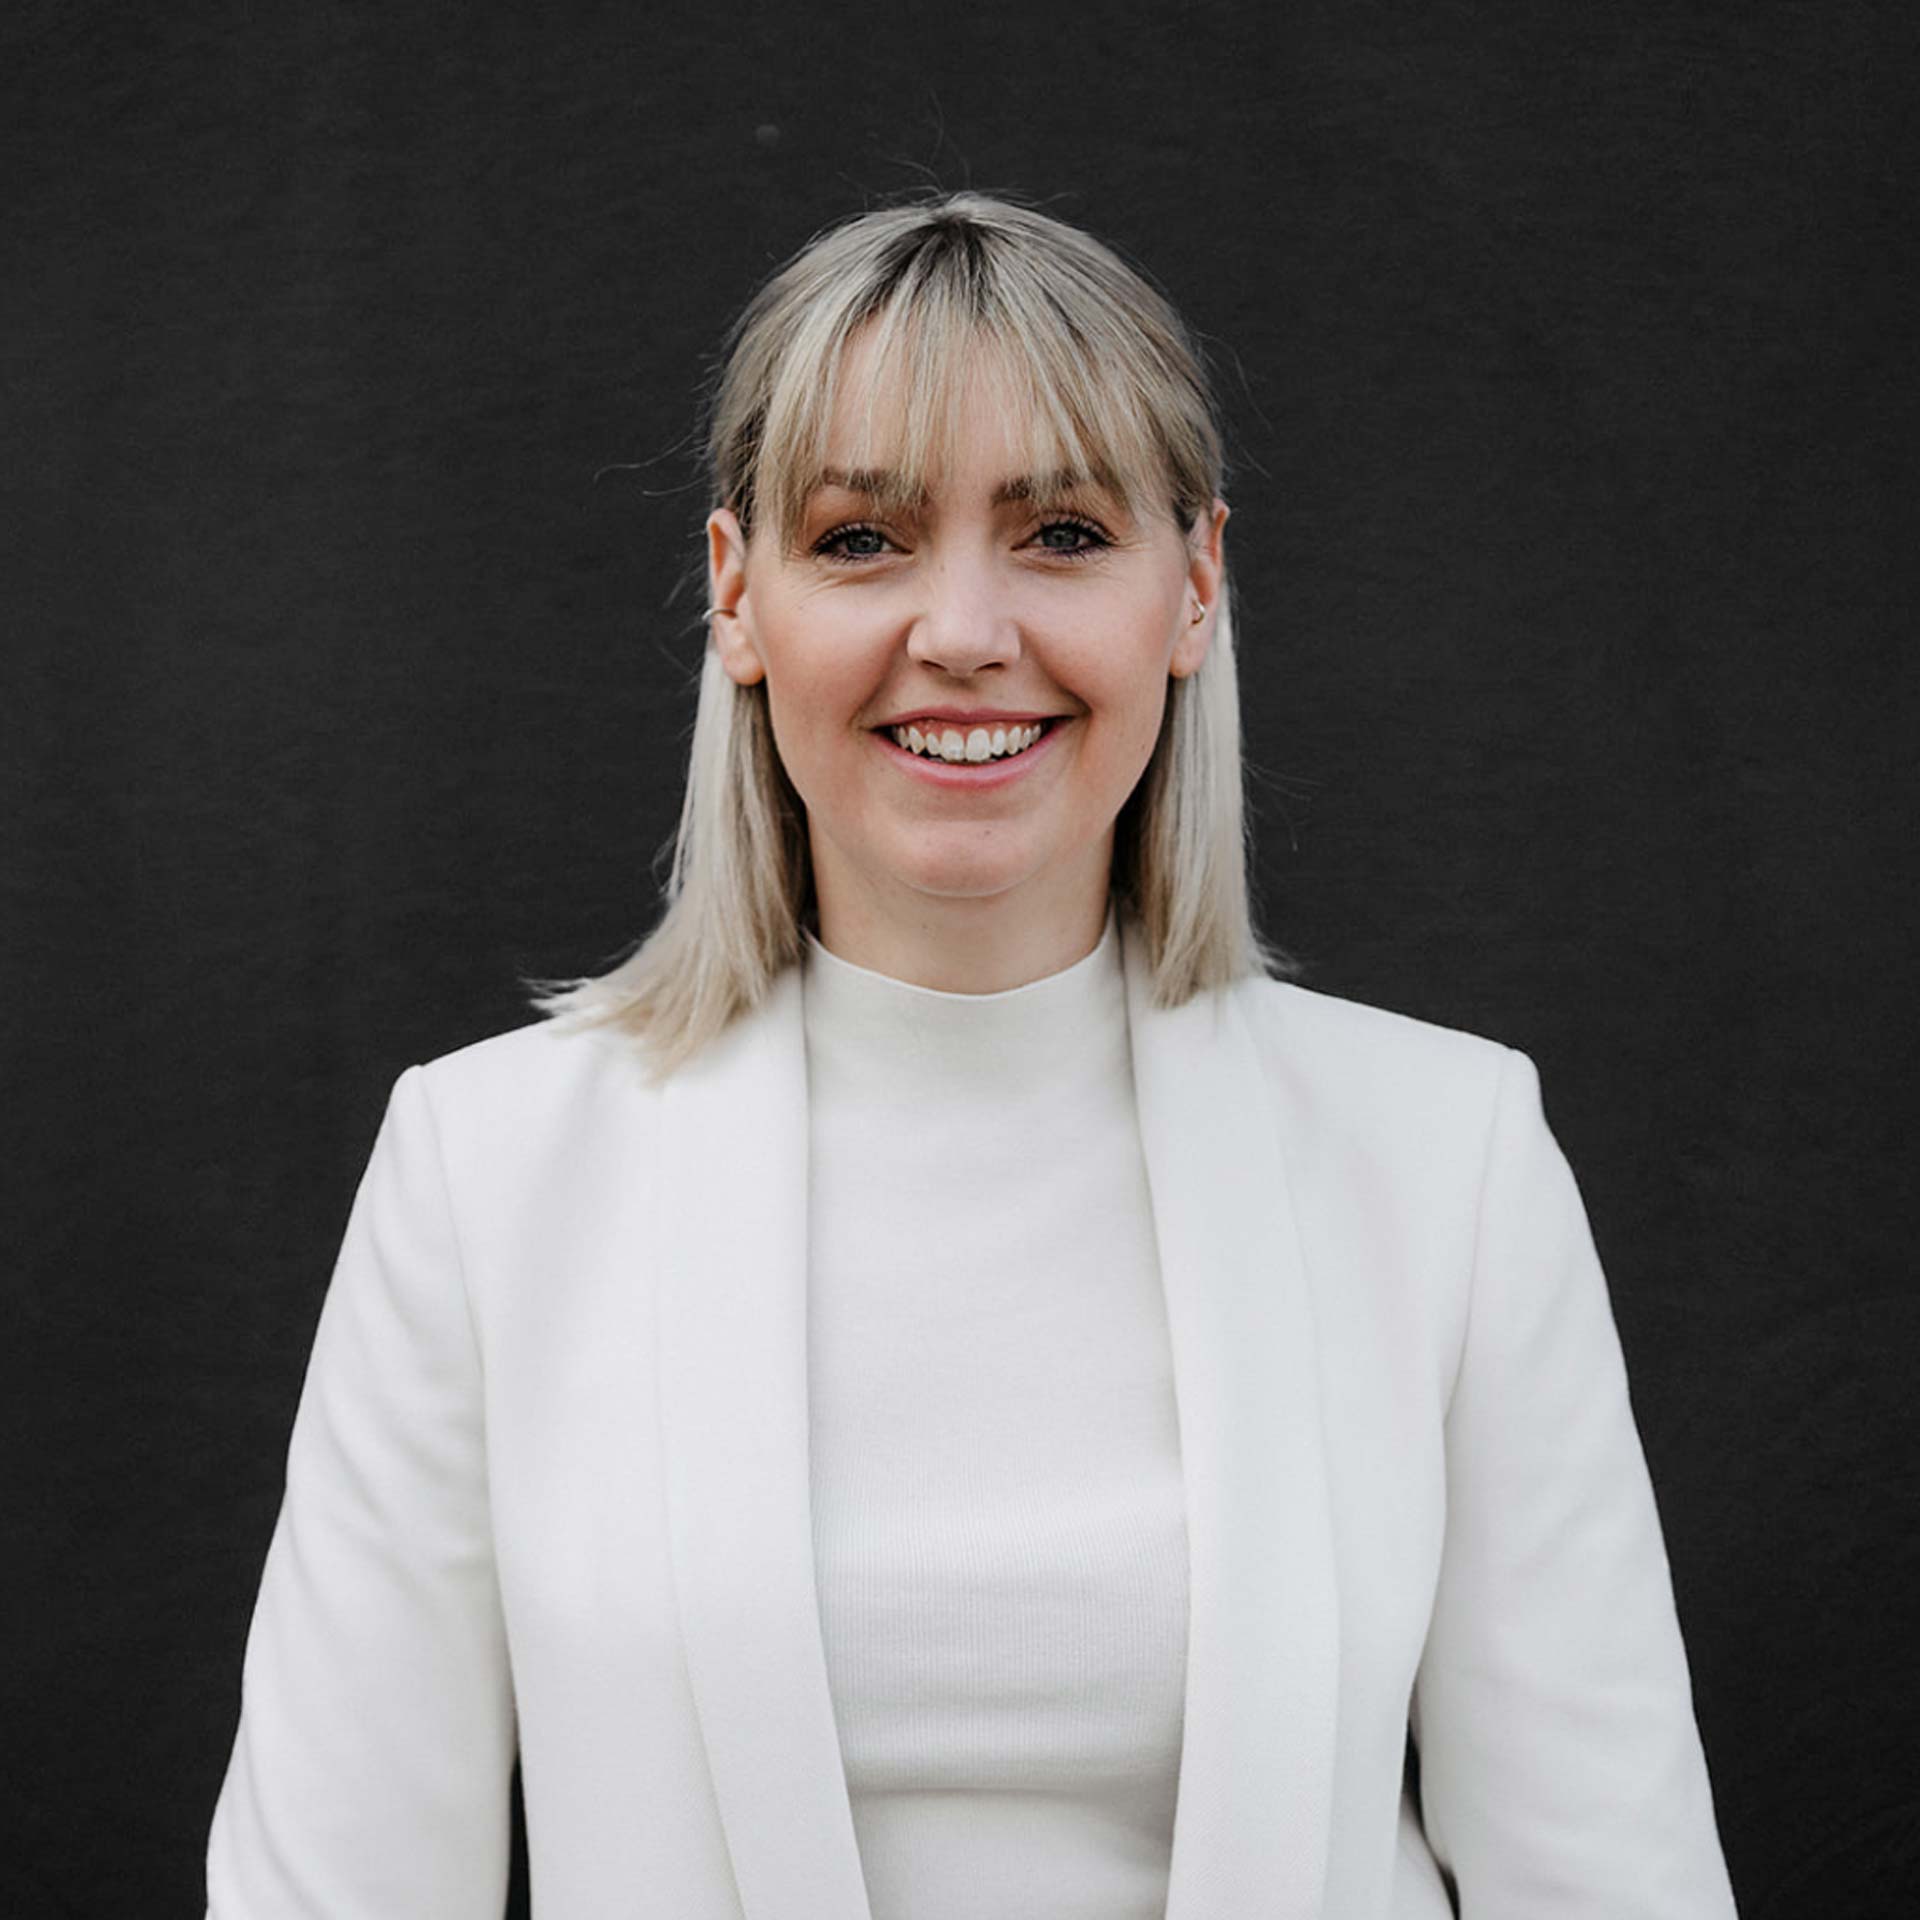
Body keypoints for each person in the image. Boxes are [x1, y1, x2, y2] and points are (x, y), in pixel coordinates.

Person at [205, 194, 1739, 1918]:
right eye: (862, 538)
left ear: (1195, 586)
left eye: (1062, 533)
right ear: (737, 595)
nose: (961, 631)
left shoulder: (1448, 1161)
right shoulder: (485, 1177)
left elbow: (1613, 1881)